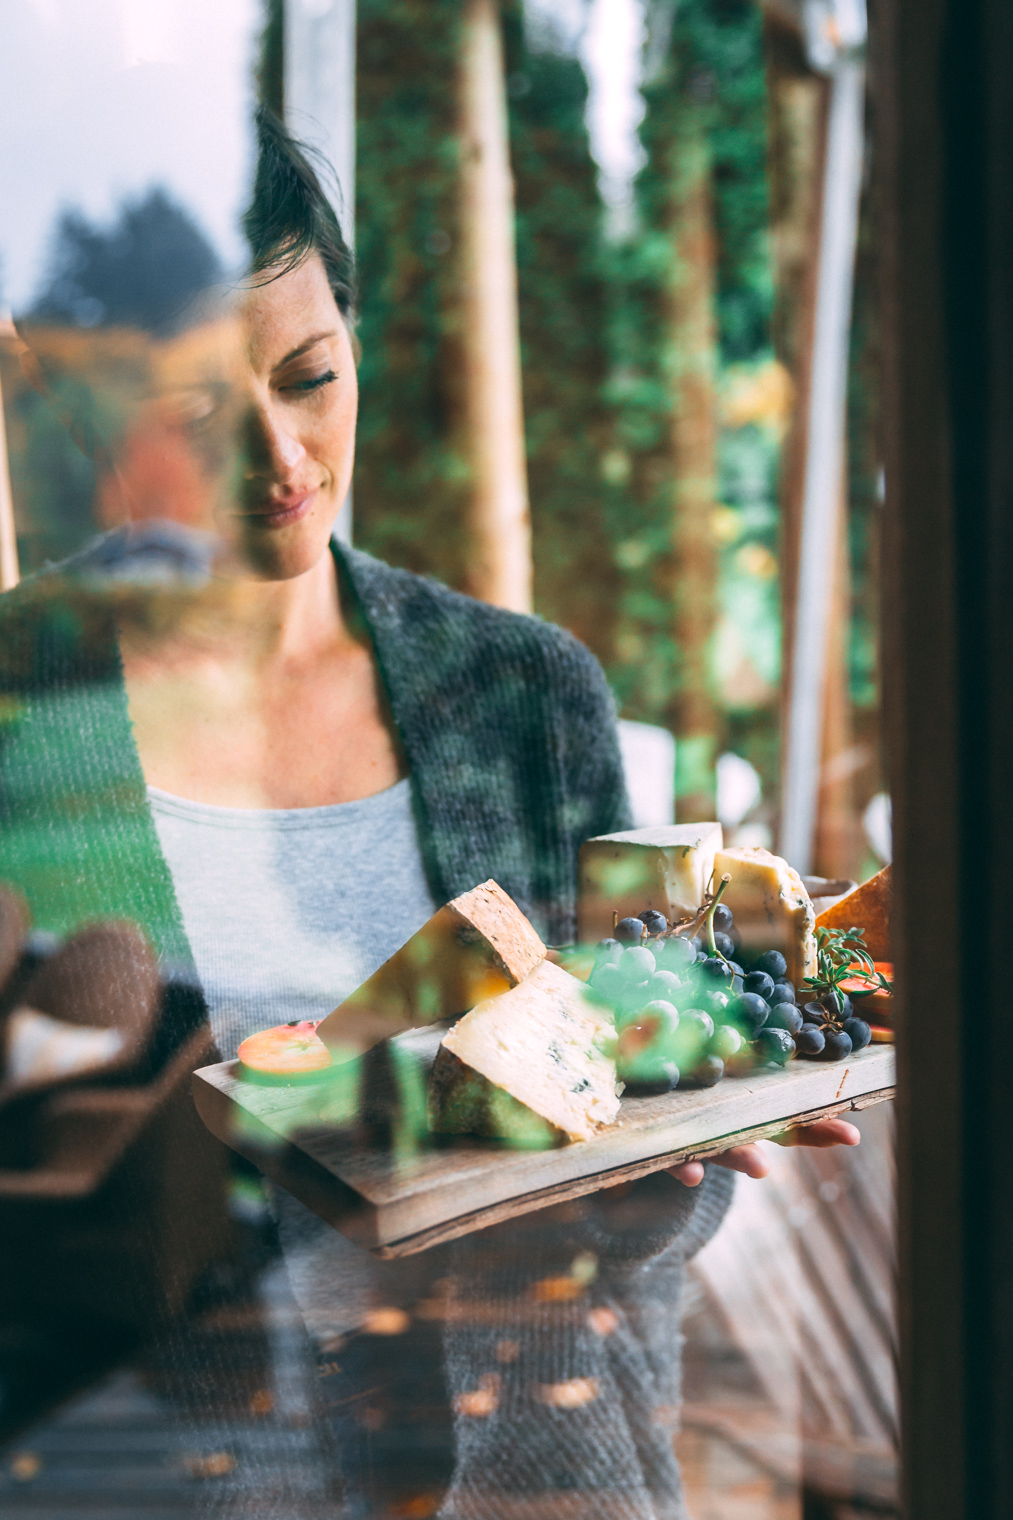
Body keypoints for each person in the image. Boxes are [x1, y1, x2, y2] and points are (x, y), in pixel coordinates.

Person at [0, 109, 858, 1518]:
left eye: (312, 376)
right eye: (200, 414)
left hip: (529, 1467)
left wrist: (666, 1159)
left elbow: (625, 1131)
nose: (281, 459)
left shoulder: (526, 695)